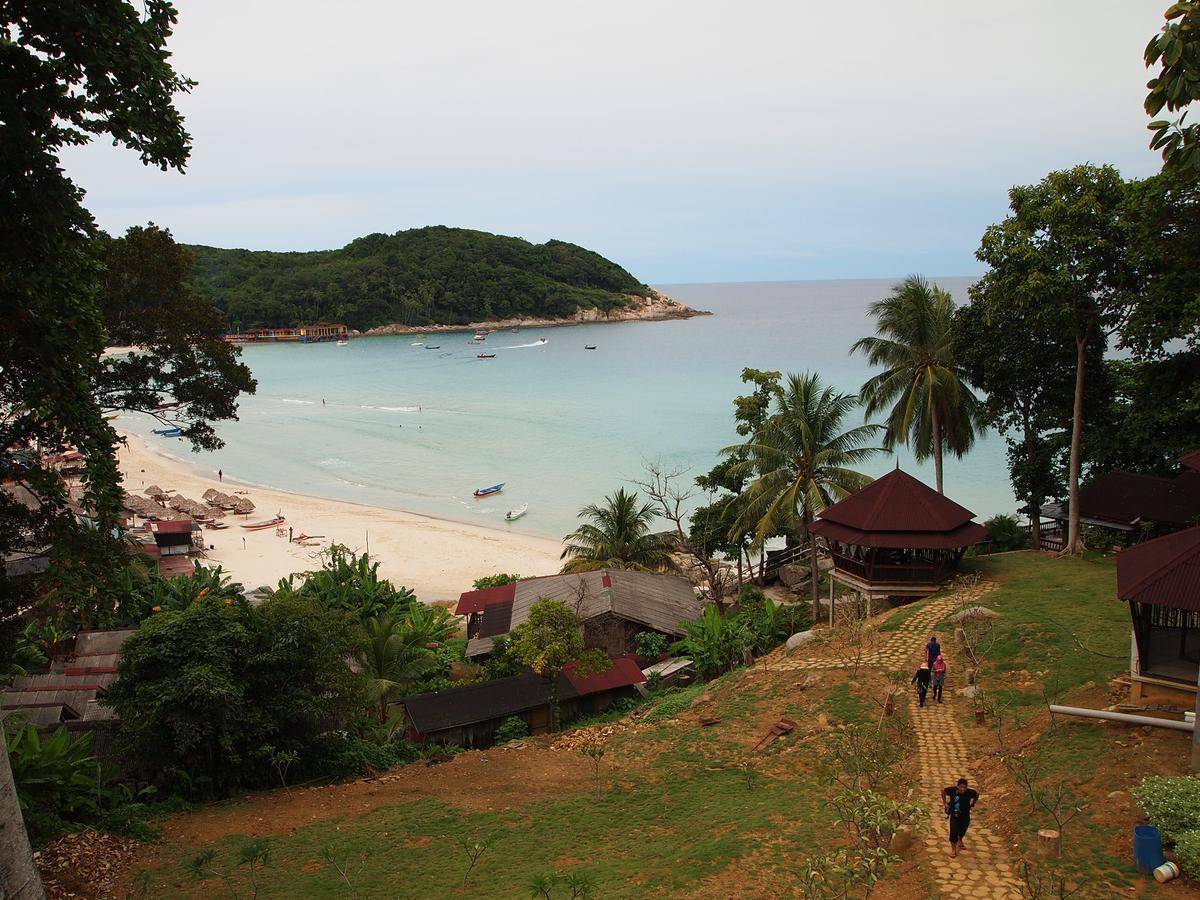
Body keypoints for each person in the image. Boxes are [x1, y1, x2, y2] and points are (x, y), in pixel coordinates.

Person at [943, 777, 979, 857]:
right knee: (954, 831)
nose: (963, 789)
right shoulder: (952, 790)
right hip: (954, 815)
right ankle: (953, 850)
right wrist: (945, 803)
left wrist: (973, 803)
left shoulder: (970, 792)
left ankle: (960, 841)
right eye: (961, 787)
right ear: (958, 786)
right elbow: (943, 791)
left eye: (964, 787)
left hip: (965, 815)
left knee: (963, 829)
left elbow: (977, 794)